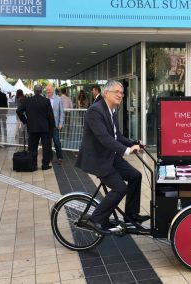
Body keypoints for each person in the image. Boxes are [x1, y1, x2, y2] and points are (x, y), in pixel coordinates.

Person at [75, 80, 149, 234]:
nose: (120, 95)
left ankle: (131, 215)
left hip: (109, 156)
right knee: (120, 188)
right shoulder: (95, 111)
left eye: (122, 93)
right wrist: (127, 151)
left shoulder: (112, 109)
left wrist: (134, 143)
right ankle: (95, 220)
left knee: (135, 176)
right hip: (98, 159)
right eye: (117, 92)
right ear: (106, 93)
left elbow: (117, 136)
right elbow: (105, 138)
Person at [16, 85, 55, 170]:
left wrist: (25, 121)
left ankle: (33, 165)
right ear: (41, 91)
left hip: (32, 128)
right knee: (46, 147)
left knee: (32, 148)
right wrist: (52, 127)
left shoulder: (28, 101)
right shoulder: (46, 101)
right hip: (45, 128)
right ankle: (45, 165)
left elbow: (18, 111)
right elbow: (50, 116)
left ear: (34, 91)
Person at [45, 84, 65, 165]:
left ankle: (59, 157)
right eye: (47, 90)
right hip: (46, 125)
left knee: (56, 141)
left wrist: (61, 123)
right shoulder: (44, 99)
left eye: (49, 89)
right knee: (47, 142)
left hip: (55, 125)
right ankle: (50, 158)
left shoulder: (58, 99)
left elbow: (62, 112)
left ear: (52, 90)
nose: (48, 91)